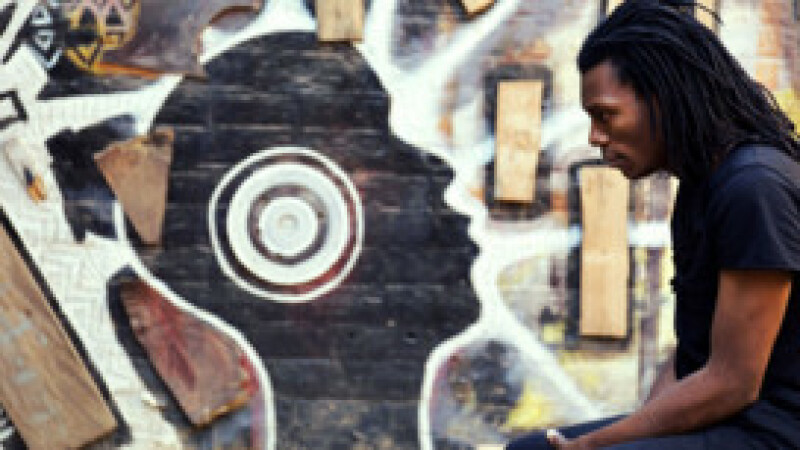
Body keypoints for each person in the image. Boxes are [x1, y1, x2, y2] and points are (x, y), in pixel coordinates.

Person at [506, 0, 800, 448]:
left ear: (663, 98)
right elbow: (690, 354)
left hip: (772, 433)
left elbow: (734, 382)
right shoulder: (704, 185)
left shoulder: (754, 188)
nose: (595, 137)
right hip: (728, 424)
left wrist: (594, 445)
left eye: (605, 115)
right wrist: (630, 433)